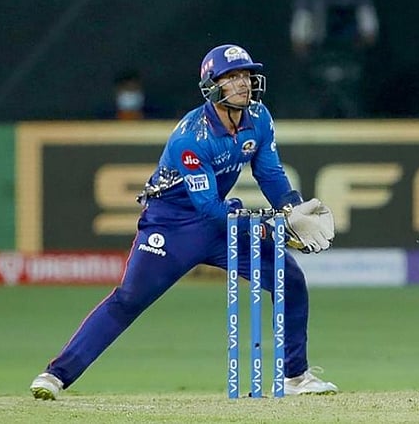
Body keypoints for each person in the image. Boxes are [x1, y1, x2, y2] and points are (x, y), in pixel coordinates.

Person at [30, 43, 339, 399]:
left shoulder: (259, 117)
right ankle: (56, 375)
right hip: (172, 225)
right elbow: (206, 207)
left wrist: (291, 208)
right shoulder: (191, 137)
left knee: (289, 279)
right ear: (212, 86)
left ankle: (294, 377)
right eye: (232, 77)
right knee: (128, 299)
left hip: (221, 224)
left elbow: (268, 173)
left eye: (246, 75)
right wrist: (268, 229)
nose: (243, 83)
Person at [289, 0, 378, 118]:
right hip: (319, 47)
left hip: (349, 46)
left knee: (350, 92)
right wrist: (300, 38)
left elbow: (365, 10)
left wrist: (366, 34)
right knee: (318, 92)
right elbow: (303, 12)